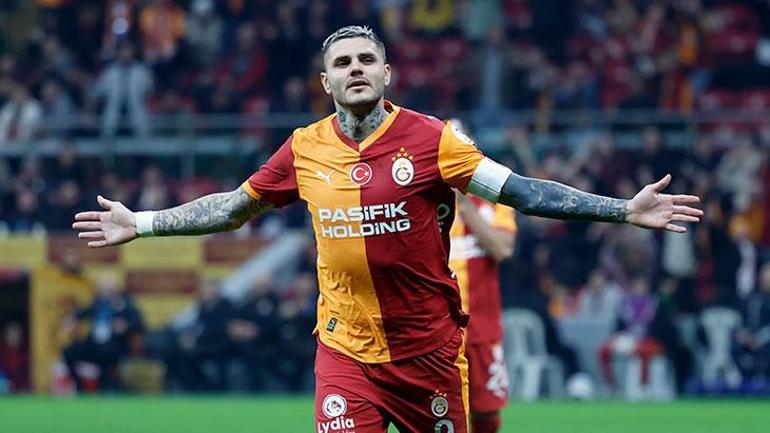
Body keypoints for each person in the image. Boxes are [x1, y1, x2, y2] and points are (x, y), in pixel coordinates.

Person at [74, 26, 702, 433]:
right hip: (344, 350)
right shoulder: (303, 148)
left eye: (367, 60)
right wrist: (143, 222)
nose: (356, 69)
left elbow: (522, 191)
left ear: (386, 73)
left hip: (427, 353)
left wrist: (622, 209)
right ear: (325, 81)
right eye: (342, 62)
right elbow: (234, 207)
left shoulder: (434, 141)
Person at [448, 126, 515, 433]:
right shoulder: (423, 203)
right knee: (440, 411)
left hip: (482, 327)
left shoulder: (494, 201)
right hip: (438, 328)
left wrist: (464, 205)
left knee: (487, 412)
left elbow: (502, 248)